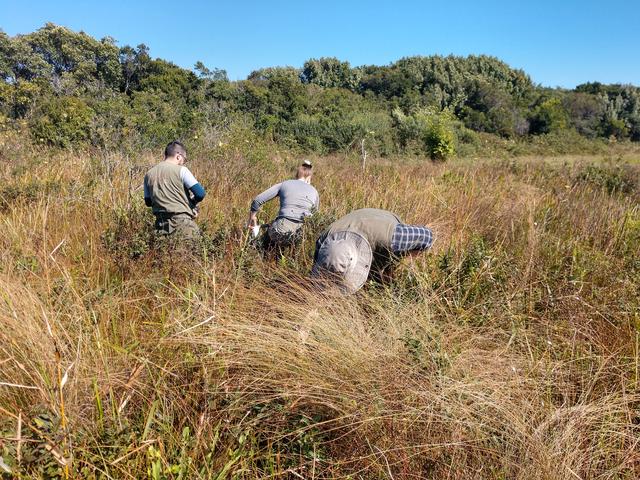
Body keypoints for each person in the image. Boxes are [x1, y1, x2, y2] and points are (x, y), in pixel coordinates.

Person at [311, 208, 434, 294]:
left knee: (385, 278)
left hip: (380, 223)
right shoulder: (322, 243)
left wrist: (411, 256)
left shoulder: (393, 237)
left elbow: (427, 235)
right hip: (356, 230)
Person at [248, 160, 319, 249]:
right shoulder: (314, 191)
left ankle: (259, 252)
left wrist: (252, 218)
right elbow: (316, 217)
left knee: (267, 239)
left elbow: (257, 200)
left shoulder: (284, 184)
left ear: (297, 174)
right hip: (303, 235)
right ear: (309, 176)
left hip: (281, 230)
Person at [143, 141, 206, 239]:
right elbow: (200, 193)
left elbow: (148, 202)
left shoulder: (148, 174)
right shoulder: (182, 170)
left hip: (160, 225)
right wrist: (191, 204)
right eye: (184, 159)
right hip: (182, 224)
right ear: (178, 156)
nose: (183, 162)